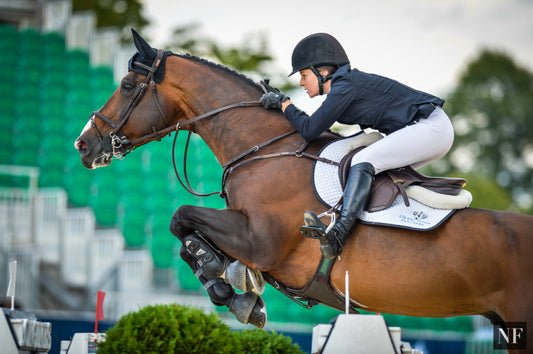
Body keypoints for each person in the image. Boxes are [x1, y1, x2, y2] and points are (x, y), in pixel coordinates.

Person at [260, 33, 454, 259]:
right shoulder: (345, 85)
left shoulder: (345, 85)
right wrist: (286, 107)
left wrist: (284, 104)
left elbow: (310, 130)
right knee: (372, 164)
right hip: (429, 130)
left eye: (304, 75)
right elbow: (313, 125)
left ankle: (339, 234)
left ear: (323, 72)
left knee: (363, 160)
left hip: (430, 128)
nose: (301, 82)